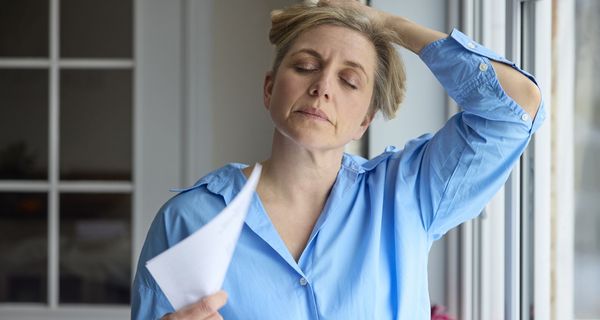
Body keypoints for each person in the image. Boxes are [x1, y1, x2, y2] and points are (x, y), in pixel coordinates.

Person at [132, 0, 545, 319]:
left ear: (365, 120)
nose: (322, 86)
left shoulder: (408, 195)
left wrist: (385, 24)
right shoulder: (187, 221)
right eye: (306, 66)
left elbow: (516, 108)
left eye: (350, 81)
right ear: (269, 89)